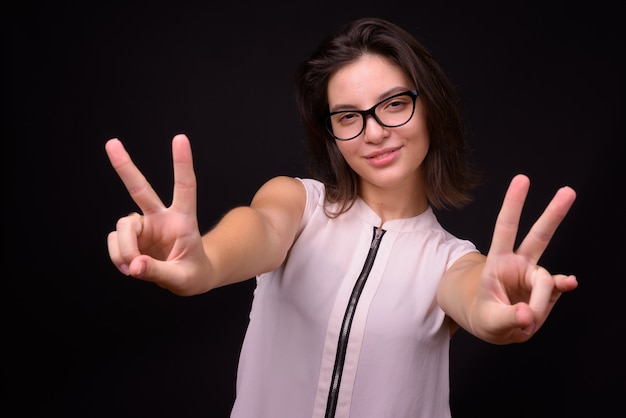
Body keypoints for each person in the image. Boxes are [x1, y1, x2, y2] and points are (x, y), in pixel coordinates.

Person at [105, 17, 578, 418]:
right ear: (330, 132)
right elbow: (260, 229)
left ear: (431, 109)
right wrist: (200, 263)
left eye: (395, 104)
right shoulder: (297, 204)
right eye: (348, 116)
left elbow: (474, 296)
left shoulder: (451, 260)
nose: (373, 132)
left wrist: (498, 314)